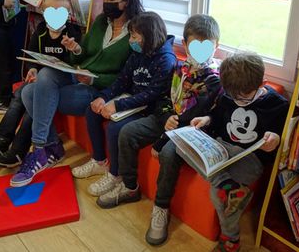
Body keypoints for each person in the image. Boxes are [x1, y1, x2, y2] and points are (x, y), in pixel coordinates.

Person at [10, 0, 144, 187]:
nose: (105, 3)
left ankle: (44, 149)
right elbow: (84, 52)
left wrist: (93, 80)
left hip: (99, 89)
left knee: (31, 93)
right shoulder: (102, 21)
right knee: (35, 84)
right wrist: (75, 49)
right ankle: (45, 147)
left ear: (126, 2)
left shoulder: (136, 32)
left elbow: (126, 78)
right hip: (76, 74)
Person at [150, 52, 288, 251]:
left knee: (219, 194)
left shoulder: (278, 105)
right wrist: (207, 120)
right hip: (220, 147)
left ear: (261, 84)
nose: (238, 101)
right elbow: (217, 114)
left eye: (244, 97)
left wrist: (275, 140)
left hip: (248, 158)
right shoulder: (228, 94)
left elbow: (282, 138)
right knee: (177, 144)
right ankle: (226, 183)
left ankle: (231, 240)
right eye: (233, 97)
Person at [95, 14, 222, 209]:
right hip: (167, 119)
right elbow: (164, 97)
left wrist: (163, 137)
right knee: (126, 132)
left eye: (207, 46)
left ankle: (160, 207)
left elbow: (198, 113)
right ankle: (130, 187)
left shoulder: (214, 80)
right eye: (195, 46)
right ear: (186, 46)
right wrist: (165, 117)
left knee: (168, 154)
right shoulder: (181, 68)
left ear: (216, 46)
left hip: (189, 130)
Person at [71, 12, 176, 196]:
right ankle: (99, 161)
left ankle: (115, 175)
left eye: (134, 37)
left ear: (149, 37)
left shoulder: (165, 60)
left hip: (149, 108)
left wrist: (118, 106)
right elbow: (122, 80)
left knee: (114, 128)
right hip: (131, 101)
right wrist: (104, 97)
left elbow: (151, 95)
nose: (131, 41)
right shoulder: (137, 53)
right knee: (92, 110)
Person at [0, 0, 82, 167]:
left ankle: (21, 149)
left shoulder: (72, 32)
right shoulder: (41, 30)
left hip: (60, 80)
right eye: (50, 12)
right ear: (43, 12)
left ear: (68, 14)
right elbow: (32, 55)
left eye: (61, 13)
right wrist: (32, 69)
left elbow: (78, 61)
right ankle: (1, 142)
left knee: (33, 94)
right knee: (21, 93)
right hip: (42, 78)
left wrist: (75, 50)